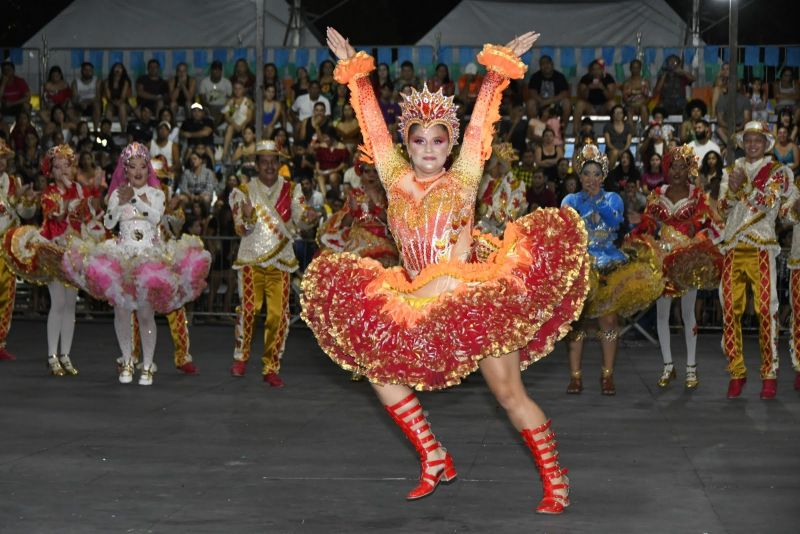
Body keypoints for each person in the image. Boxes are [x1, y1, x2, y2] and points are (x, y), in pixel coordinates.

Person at [303, 27, 590, 514]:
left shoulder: (463, 176)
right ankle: (433, 454)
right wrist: (354, 71)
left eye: (439, 139)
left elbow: (481, 123)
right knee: (377, 367)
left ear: (450, 143)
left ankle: (555, 478)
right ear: (408, 145)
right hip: (418, 298)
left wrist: (498, 71)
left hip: (470, 300)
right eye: (420, 140)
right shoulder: (393, 177)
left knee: (508, 394)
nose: (430, 148)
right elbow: (372, 126)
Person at [62, 143, 210, 385]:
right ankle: (127, 359)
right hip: (122, 257)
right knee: (121, 312)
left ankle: (148, 365)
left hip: (149, 259)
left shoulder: (156, 194)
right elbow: (109, 224)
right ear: (126, 169)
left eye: (143, 166)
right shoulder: (118, 193)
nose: (138, 171)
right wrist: (117, 204)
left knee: (145, 314)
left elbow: (156, 217)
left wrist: (135, 200)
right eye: (133, 167)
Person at [561, 144, 664, 395]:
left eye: (597, 174)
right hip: (581, 265)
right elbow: (564, 232)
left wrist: (598, 201)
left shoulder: (613, 198)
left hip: (609, 264)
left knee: (609, 320)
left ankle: (607, 375)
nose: (591, 179)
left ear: (603, 176)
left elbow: (616, 222)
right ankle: (575, 376)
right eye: (587, 174)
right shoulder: (570, 200)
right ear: (579, 175)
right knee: (577, 323)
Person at [718, 121, 798, 399]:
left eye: (758, 140)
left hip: (762, 248)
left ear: (766, 143)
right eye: (748, 139)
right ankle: (736, 372)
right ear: (743, 142)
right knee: (730, 310)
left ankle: (769, 373)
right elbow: (721, 210)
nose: (753, 144)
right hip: (732, 247)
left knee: (766, 310)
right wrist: (731, 191)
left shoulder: (778, 172)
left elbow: (769, 204)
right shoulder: (730, 171)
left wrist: (745, 189)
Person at [631, 145, 722, 389]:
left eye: (683, 166)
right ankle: (668, 366)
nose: (678, 171)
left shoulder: (697, 194)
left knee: (688, 313)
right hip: (662, 260)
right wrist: (644, 235)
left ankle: (691, 368)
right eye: (673, 166)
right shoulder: (657, 192)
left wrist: (698, 230)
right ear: (666, 168)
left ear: (689, 168)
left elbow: (713, 222)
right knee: (663, 314)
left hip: (689, 261)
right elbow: (647, 224)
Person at [3, 145, 94, 375]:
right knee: (58, 302)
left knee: (71, 304)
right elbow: (54, 216)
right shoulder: (50, 192)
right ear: (51, 171)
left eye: (66, 164)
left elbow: (85, 217)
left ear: (72, 167)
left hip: (75, 249)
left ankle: (66, 354)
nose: (61, 169)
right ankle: (52, 355)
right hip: (53, 249)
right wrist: (65, 202)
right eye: (56, 166)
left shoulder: (80, 190)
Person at [228, 140, 304, 387]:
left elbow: (301, 219)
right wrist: (249, 216)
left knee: (278, 316)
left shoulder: (292, 190)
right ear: (257, 165)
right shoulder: (243, 191)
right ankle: (241, 357)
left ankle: (271, 366)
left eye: (274, 162)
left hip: (281, 261)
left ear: (279, 164)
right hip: (251, 259)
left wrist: (309, 218)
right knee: (249, 309)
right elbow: (241, 228)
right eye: (264, 162)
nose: (269, 166)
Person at [0, 139, 37, 361]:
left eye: (4, 158)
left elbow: (25, 213)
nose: (2, 162)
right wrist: (14, 200)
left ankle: (0, 341)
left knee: (6, 293)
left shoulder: (14, 182)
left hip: (7, 246)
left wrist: (28, 201)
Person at [475, 144, 528, 236]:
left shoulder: (515, 186)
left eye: (494, 163)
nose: (490, 167)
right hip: (478, 226)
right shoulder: (487, 180)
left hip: (495, 233)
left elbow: (506, 219)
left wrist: (486, 210)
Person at [527, 54, 571, 130]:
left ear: (552, 64)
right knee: (530, 103)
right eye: (542, 64)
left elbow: (564, 94)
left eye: (547, 63)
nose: (545, 66)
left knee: (567, 103)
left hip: (555, 103)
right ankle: (534, 131)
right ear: (540, 66)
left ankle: (562, 131)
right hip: (540, 103)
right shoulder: (535, 77)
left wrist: (548, 101)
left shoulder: (560, 77)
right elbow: (532, 93)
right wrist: (542, 101)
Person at [573, 60, 616, 136]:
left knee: (612, 104)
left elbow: (611, 96)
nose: (596, 71)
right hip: (590, 107)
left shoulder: (608, 78)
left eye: (598, 69)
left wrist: (602, 88)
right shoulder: (585, 79)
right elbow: (582, 97)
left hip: (603, 107)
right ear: (590, 71)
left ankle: (615, 131)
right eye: (593, 69)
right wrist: (588, 88)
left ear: (602, 70)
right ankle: (576, 131)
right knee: (579, 104)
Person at [221, 80, 255, 161]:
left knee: (246, 129)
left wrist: (242, 125)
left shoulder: (248, 101)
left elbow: (249, 117)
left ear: (243, 90)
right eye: (235, 88)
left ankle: (245, 152)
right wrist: (234, 124)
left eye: (240, 88)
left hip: (244, 124)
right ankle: (224, 153)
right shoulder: (230, 101)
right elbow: (227, 117)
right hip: (233, 125)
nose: (237, 91)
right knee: (230, 128)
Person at [198, 61, 232, 126]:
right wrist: (209, 106)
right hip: (209, 106)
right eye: (215, 70)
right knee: (207, 111)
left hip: (223, 106)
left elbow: (229, 99)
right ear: (211, 71)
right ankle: (213, 127)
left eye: (219, 70)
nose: (217, 72)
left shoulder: (227, 82)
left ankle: (215, 127)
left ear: (221, 71)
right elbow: (203, 99)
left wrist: (223, 108)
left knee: (225, 110)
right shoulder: (204, 82)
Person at [70, 62, 101, 129]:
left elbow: (98, 97)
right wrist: (80, 103)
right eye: (85, 70)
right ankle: (79, 131)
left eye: (90, 70)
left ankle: (95, 130)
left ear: (92, 71)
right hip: (80, 104)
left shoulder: (97, 81)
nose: (87, 72)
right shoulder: (75, 82)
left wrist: (87, 102)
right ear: (82, 71)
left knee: (97, 105)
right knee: (71, 110)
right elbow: (74, 98)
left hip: (93, 104)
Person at [103, 62, 132, 132]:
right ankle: (107, 132)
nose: (118, 70)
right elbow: (108, 96)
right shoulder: (107, 82)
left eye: (120, 68)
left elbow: (123, 97)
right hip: (111, 103)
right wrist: (114, 102)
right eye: (116, 67)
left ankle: (123, 131)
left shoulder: (125, 82)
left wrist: (118, 103)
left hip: (124, 104)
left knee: (121, 106)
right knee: (109, 108)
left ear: (123, 70)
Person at [621, 59, 651, 127]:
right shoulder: (627, 82)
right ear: (630, 68)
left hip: (642, 105)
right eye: (633, 67)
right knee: (629, 110)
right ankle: (631, 134)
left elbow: (649, 96)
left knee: (643, 108)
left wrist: (641, 103)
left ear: (640, 68)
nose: (635, 69)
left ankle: (646, 131)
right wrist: (631, 104)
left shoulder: (645, 82)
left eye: (637, 67)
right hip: (630, 105)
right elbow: (624, 98)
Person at [603, 105, 633, 169]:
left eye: (620, 113)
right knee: (614, 152)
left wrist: (622, 151)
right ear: (612, 114)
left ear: (623, 115)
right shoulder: (608, 126)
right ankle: (608, 174)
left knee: (626, 155)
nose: (618, 114)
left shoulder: (628, 127)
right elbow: (608, 143)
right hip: (611, 150)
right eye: (616, 112)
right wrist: (617, 151)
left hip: (625, 150)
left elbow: (628, 143)